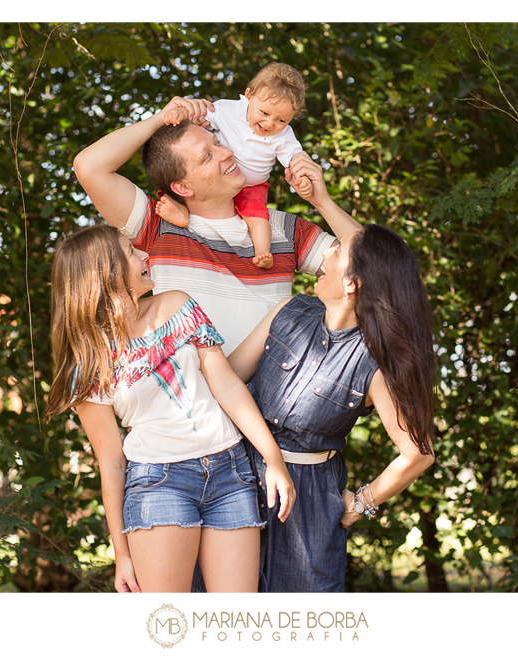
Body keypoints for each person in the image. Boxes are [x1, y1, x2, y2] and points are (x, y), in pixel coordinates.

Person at [43, 223, 295, 593]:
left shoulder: (178, 304)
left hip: (230, 473)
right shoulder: (90, 362)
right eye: (132, 251)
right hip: (159, 485)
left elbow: (225, 383)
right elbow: (111, 462)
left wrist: (272, 458)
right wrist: (121, 553)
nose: (145, 256)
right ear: (108, 272)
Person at [226, 224, 438, 592]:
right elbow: (225, 382)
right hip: (237, 480)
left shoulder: (374, 365)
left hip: (309, 505)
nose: (323, 254)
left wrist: (361, 503)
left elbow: (417, 453)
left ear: (352, 282)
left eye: (336, 250)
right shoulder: (287, 311)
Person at [73, 94, 361, 355]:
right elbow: (89, 166)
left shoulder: (282, 227)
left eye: (218, 142)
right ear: (183, 187)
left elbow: (370, 265)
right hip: (199, 402)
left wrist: (323, 201)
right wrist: (161, 118)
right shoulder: (157, 223)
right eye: (208, 156)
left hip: (277, 400)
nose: (227, 153)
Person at [155, 63, 313, 270]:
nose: (269, 123)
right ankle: (182, 213)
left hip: (251, 186)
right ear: (248, 95)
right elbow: (199, 117)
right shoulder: (227, 109)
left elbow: (295, 160)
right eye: (264, 113)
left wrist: (303, 179)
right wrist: (179, 114)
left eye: (281, 119)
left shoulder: (284, 136)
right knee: (183, 181)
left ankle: (262, 251)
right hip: (216, 176)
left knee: (257, 216)